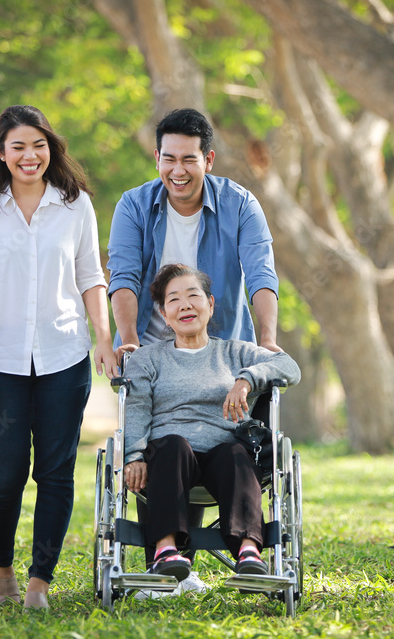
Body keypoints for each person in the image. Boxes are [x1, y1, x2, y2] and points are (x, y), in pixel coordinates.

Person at [106, 108, 282, 594]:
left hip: (218, 345)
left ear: (208, 158)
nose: (177, 171)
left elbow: (261, 274)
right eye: (167, 159)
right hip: (153, 343)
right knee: (168, 443)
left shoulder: (240, 204)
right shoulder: (135, 205)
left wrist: (263, 345)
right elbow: (122, 276)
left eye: (188, 159)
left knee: (222, 445)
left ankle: (223, 553)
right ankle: (169, 554)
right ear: (156, 157)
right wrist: (128, 340)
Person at [0, 105, 117, 610]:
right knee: (5, 473)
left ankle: (38, 584)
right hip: (0, 362)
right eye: (18, 146)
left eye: (39, 144)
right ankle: (1, 566)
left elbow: (91, 276)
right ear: (1, 154)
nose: (30, 155)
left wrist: (103, 338)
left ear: (52, 148)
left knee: (55, 473)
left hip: (63, 358)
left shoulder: (76, 206)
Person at [122, 264, 300, 583]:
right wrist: (133, 456)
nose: (186, 305)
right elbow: (135, 409)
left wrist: (246, 380)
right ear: (164, 313)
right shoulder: (147, 359)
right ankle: (166, 551)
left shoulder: (236, 352)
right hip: (169, 461)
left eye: (194, 295)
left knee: (235, 453)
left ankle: (249, 552)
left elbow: (289, 367)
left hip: (223, 458)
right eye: (174, 299)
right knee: (173, 445)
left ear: (211, 304)